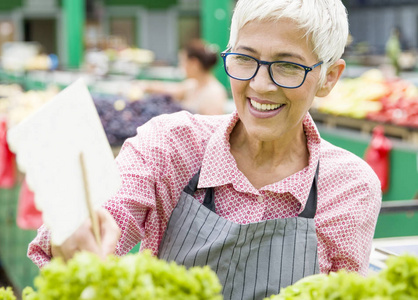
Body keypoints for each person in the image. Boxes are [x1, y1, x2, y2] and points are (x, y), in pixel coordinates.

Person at [28, 0, 382, 299]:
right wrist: (77, 227)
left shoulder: (349, 186)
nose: (260, 85)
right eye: (245, 58)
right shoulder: (170, 144)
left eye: (287, 66)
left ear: (329, 78)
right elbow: (111, 209)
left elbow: (344, 292)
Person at [138, 39, 228, 115]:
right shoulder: (193, 85)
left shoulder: (213, 94)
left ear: (194, 64)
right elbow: (168, 89)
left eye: (183, 62)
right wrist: (145, 86)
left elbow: (212, 130)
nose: (181, 66)